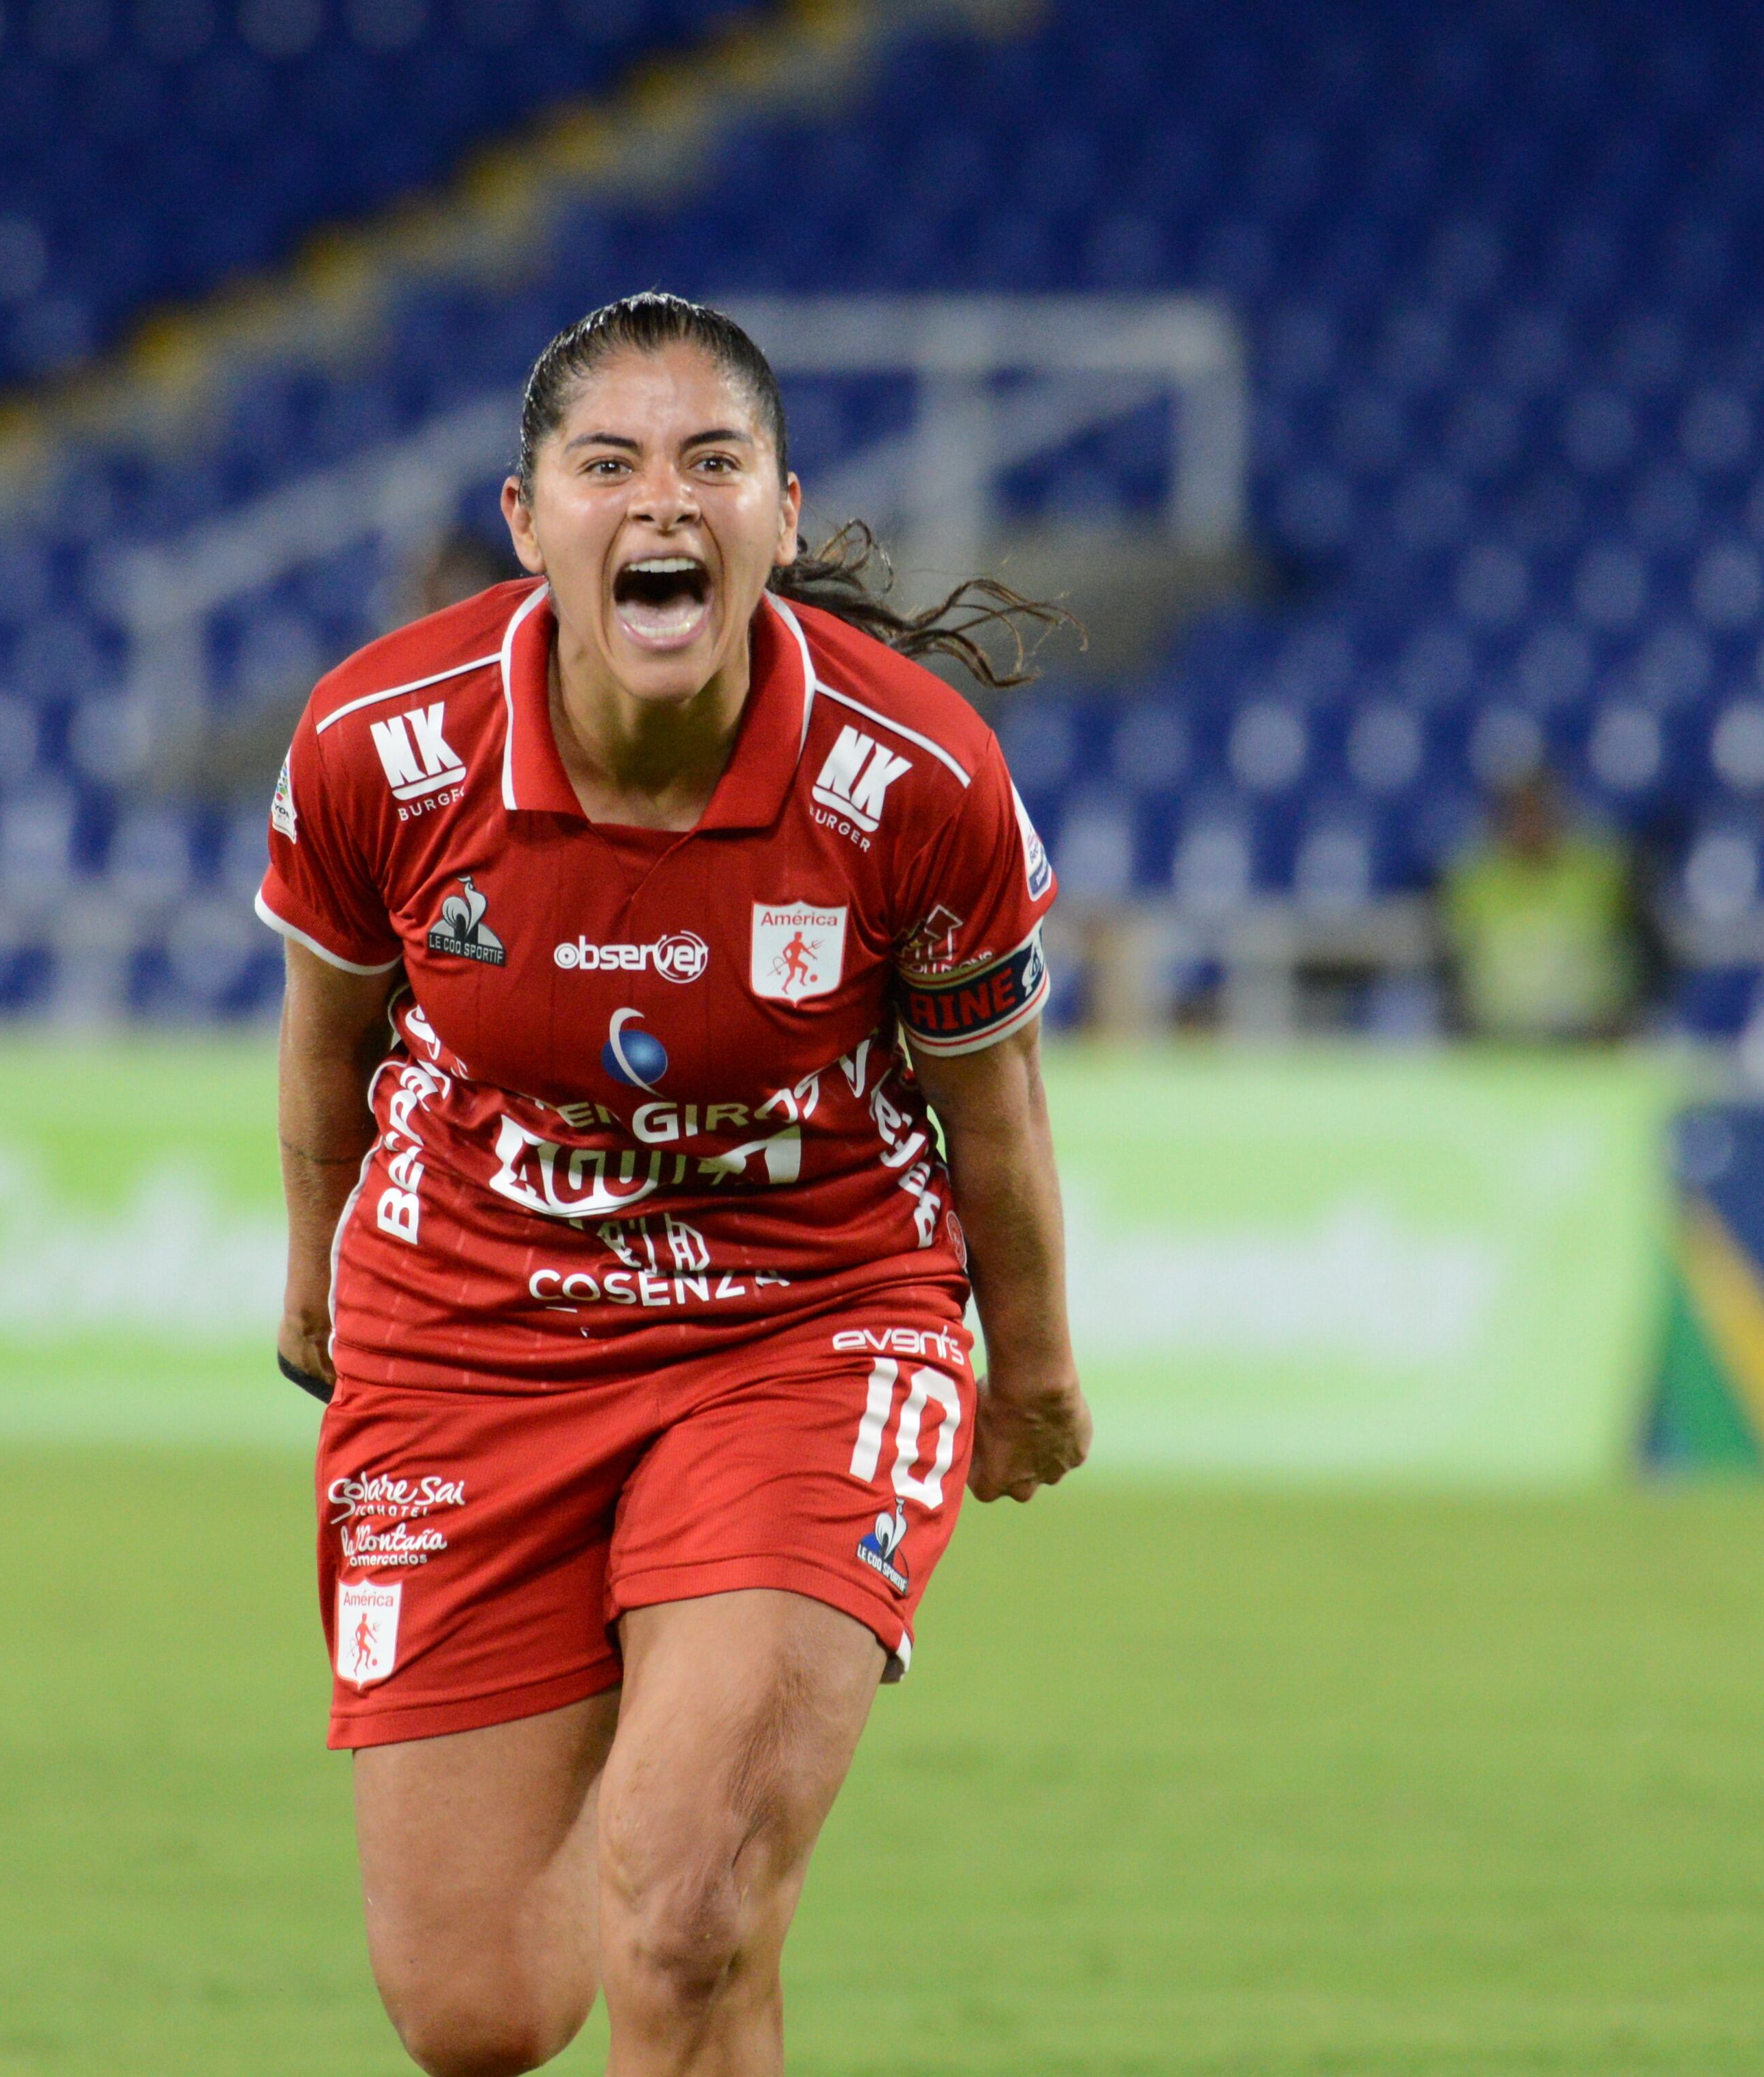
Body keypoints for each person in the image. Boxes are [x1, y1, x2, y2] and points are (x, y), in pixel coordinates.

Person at [255, 292, 1091, 2077]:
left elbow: (993, 1112)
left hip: (801, 1318)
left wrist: (1028, 1365)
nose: (663, 500)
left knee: (688, 1916)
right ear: (526, 517)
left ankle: (704, 1691)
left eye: (715, 462)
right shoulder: (376, 749)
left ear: (783, 516)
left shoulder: (916, 778)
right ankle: (668, 1692)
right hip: (472, 1326)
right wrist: (314, 1266)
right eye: (608, 463)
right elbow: (329, 1042)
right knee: (474, 2010)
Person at [1437, 766, 1657, 1042]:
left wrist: (1625, 1016)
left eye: (1537, 813)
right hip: (1495, 1045)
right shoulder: (1471, 883)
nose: (1529, 826)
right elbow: (1450, 970)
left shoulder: (1604, 873)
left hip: (1589, 1043)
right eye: (1517, 815)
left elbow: (1647, 955)